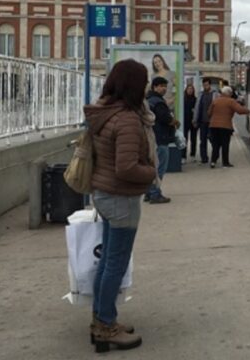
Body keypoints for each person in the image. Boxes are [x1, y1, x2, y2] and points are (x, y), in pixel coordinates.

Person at [84, 59, 156, 353]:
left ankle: (102, 319)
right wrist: (152, 172)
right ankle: (105, 326)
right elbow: (126, 167)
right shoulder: (126, 119)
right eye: (144, 82)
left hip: (105, 193)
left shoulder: (105, 112)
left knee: (108, 262)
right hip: (121, 197)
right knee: (115, 262)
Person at [145, 76, 178, 204]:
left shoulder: (149, 100)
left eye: (165, 86)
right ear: (155, 87)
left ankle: (149, 192)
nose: (164, 89)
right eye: (161, 86)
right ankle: (155, 193)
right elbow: (165, 118)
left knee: (153, 166)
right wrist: (173, 121)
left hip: (153, 137)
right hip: (160, 138)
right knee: (159, 168)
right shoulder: (157, 102)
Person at [207, 86, 250, 168]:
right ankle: (225, 163)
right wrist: (248, 110)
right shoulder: (231, 101)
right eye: (231, 93)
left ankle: (213, 161)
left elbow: (209, 113)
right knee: (225, 144)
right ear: (229, 93)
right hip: (225, 126)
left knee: (215, 145)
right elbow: (240, 111)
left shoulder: (215, 100)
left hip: (213, 126)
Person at [193, 77, 218, 164]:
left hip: (212, 122)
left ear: (210, 85)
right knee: (202, 141)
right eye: (204, 85)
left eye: (206, 85)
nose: (205, 86)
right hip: (202, 121)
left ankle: (214, 157)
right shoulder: (201, 94)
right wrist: (195, 119)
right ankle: (204, 158)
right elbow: (197, 108)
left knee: (213, 140)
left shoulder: (215, 94)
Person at [182, 84, 198, 163]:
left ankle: (193, 155)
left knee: (193, 139)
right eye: (189, 89)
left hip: (193, 122)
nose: (190, 90)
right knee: (184, 139)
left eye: (191, 89)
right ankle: (183, 156)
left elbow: (197, 110)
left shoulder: (195, 99)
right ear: (186, 90)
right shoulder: (183, 99)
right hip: (185, 122)